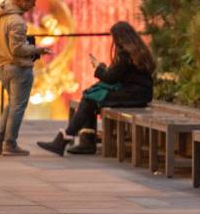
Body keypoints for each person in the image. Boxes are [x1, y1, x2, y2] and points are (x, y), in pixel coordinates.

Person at [37, 21, 155, 156]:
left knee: (90, 99)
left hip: (132, 95)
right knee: (91, 99)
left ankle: (70, 140)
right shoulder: (137, 51)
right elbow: (116, 75)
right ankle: (81, 141)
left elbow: (111, 78)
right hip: (140, 94)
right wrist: (102, 67)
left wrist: (98, 67)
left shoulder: (125, 54)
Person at [0, 0, 52, 156]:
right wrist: (38, 50)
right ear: (22, 0)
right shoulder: (17, 22)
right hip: (17, 68)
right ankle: (10, 143)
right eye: (32, 1)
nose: (34, 5)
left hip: (1, 65)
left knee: (13, 103)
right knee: (18, 106)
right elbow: (17, 49)